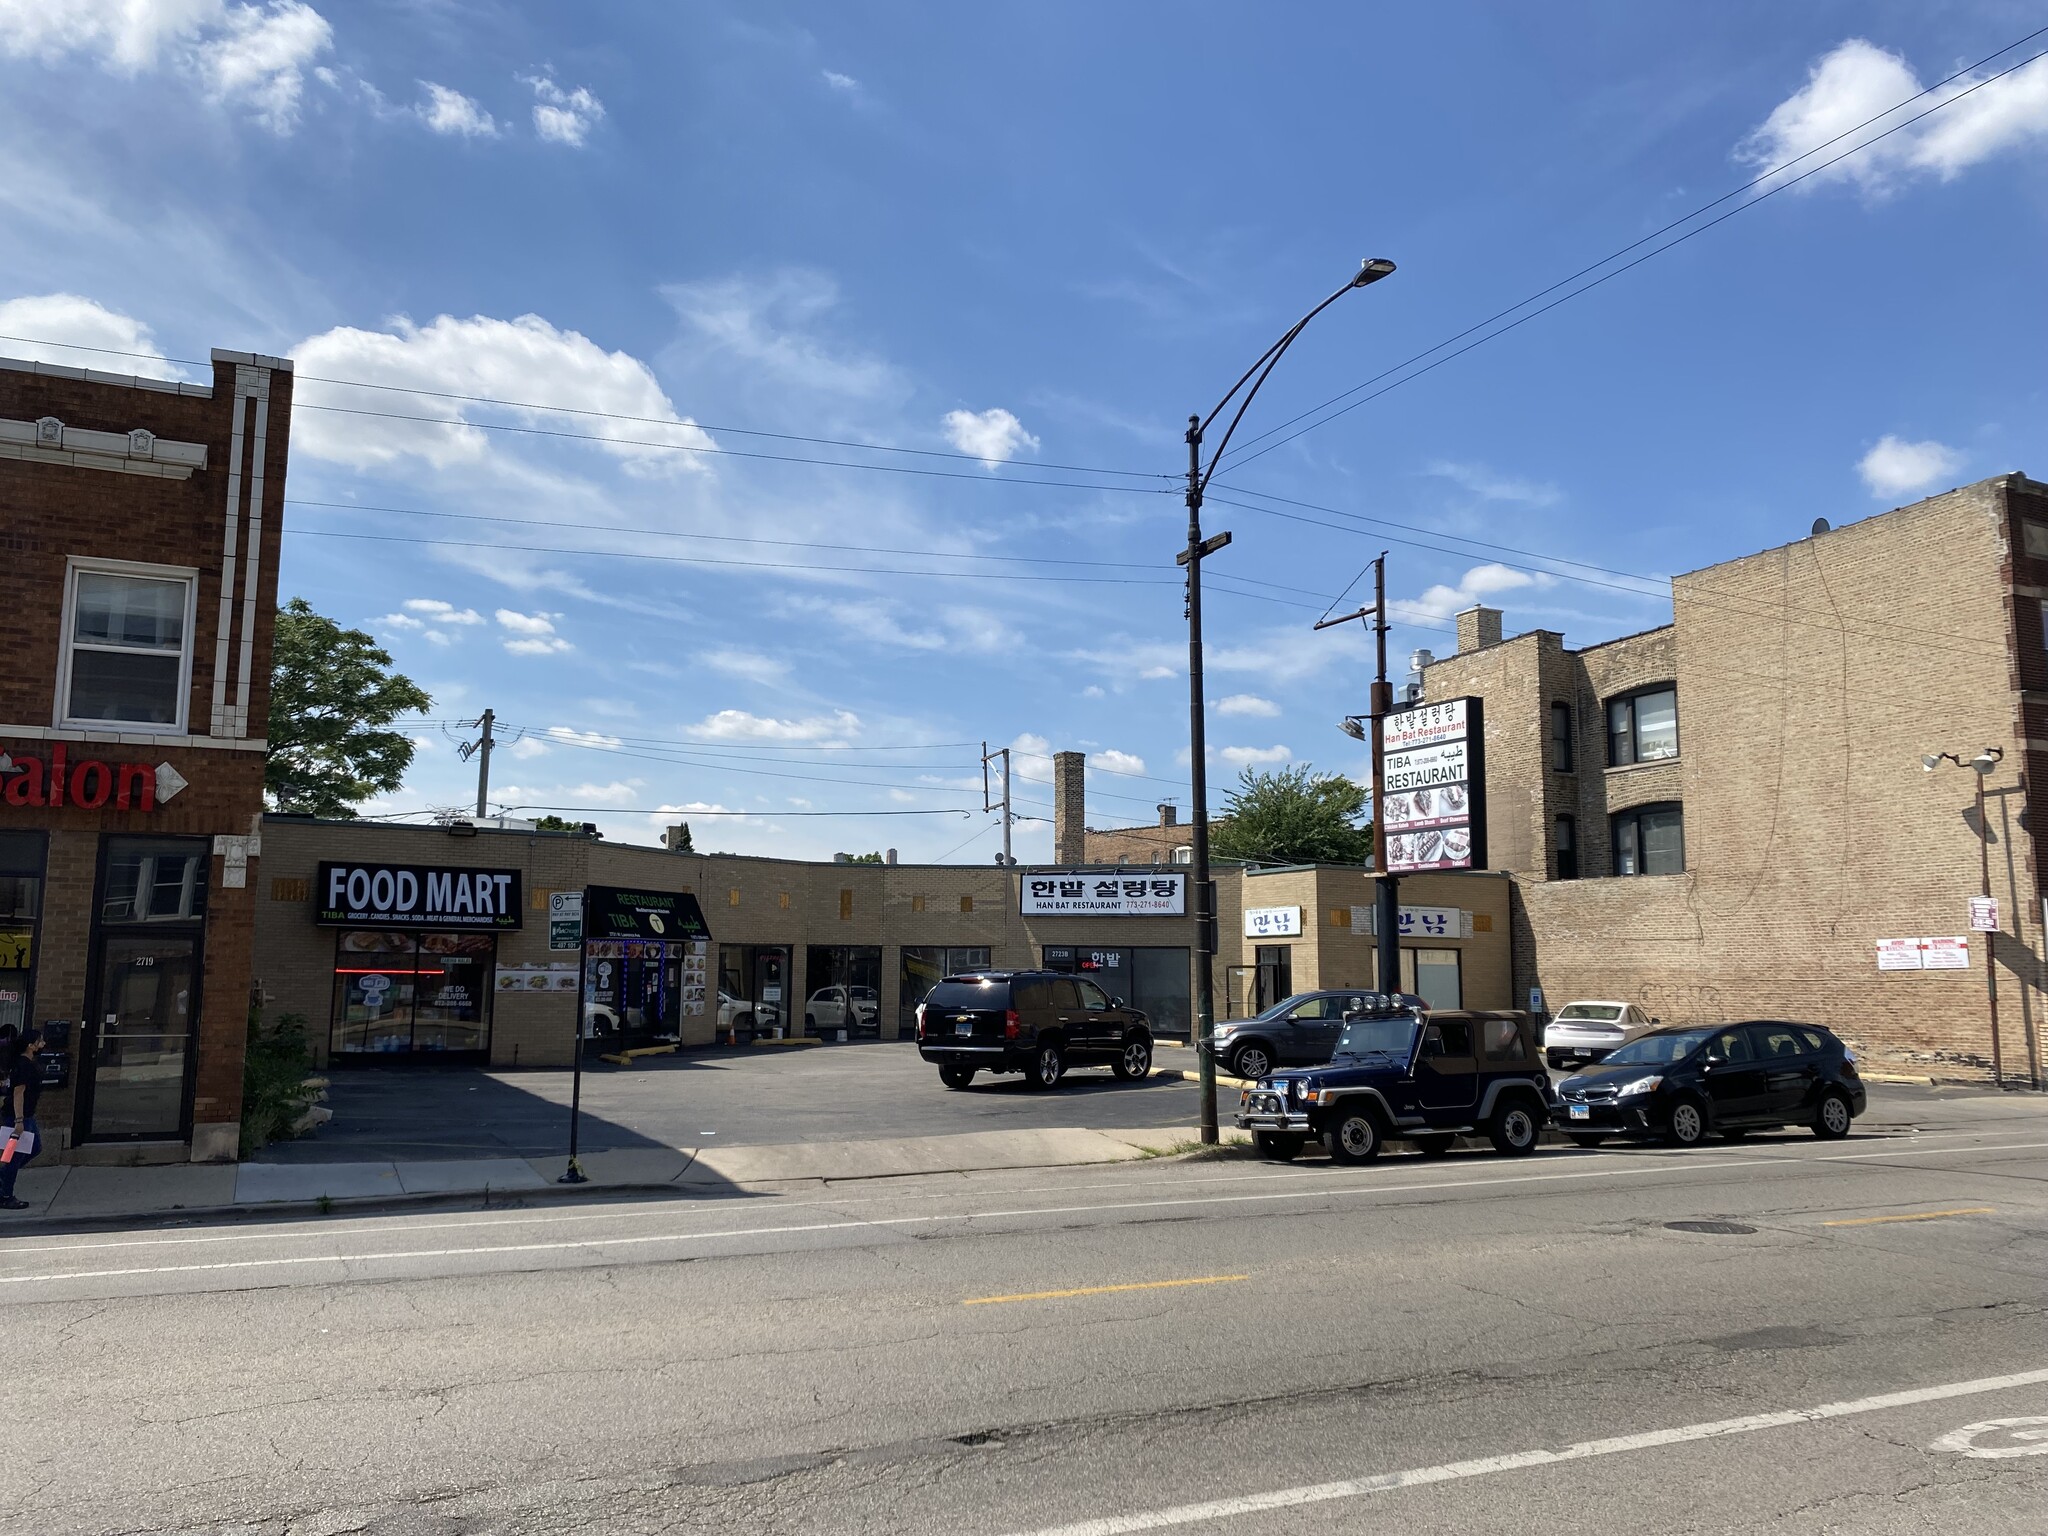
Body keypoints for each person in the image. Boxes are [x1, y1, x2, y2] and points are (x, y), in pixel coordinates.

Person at [0, 1026, 47, 1210]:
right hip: (18, 1117)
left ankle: (4, 1177)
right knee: (13, 1156)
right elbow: (19, 1092)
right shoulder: (23, 1065)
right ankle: (5, 1195)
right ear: (31, 1045)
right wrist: (18, 1122)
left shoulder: (27, 1063)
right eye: (40, 1041)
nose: (43, 1044)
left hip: (27, 1115)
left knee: (35, 1148)